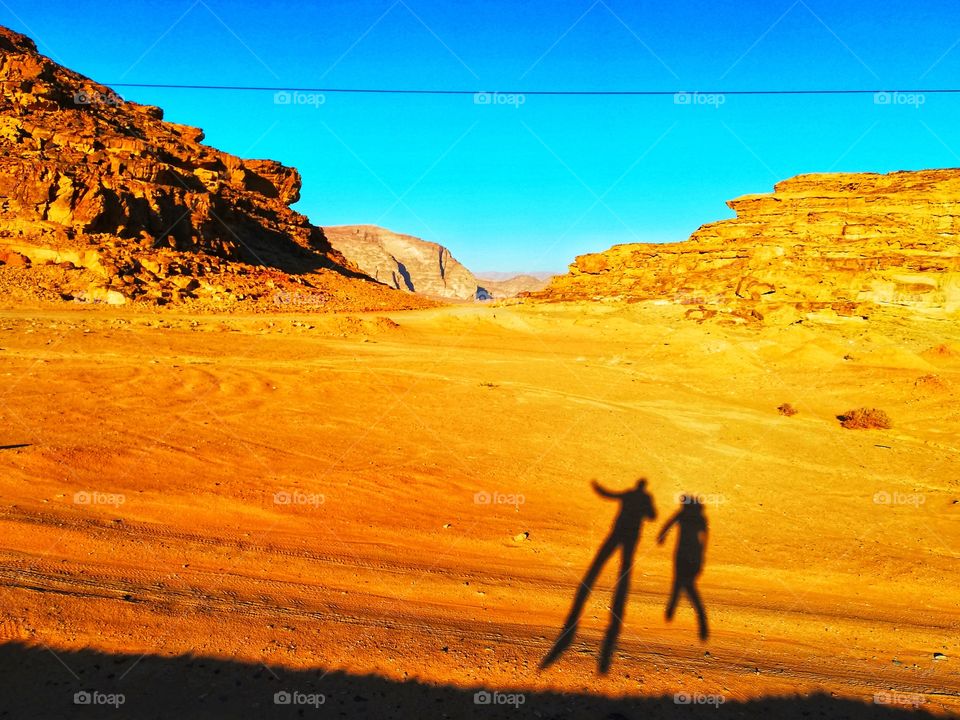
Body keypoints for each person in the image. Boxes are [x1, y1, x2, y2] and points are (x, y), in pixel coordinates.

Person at [540, 478, 657, 674]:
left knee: (603, 559)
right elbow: (652, 516)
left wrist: (598, 489)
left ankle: (596, 577)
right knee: (624, 565)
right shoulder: (644, 497)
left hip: (618, 532)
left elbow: (611, 495)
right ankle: (617, 583)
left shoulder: (630, 493)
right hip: (630, 535)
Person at [657, 495, 709, 640]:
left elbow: (669, 524)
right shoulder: (700, 518)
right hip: (692, 555)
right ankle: (672, 609)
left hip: (683, 554)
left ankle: (698, 616)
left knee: (685, 585)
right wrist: (701, 557)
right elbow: (705, 538)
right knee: (681, 582)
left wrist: (662, 536)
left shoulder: (684, 515)